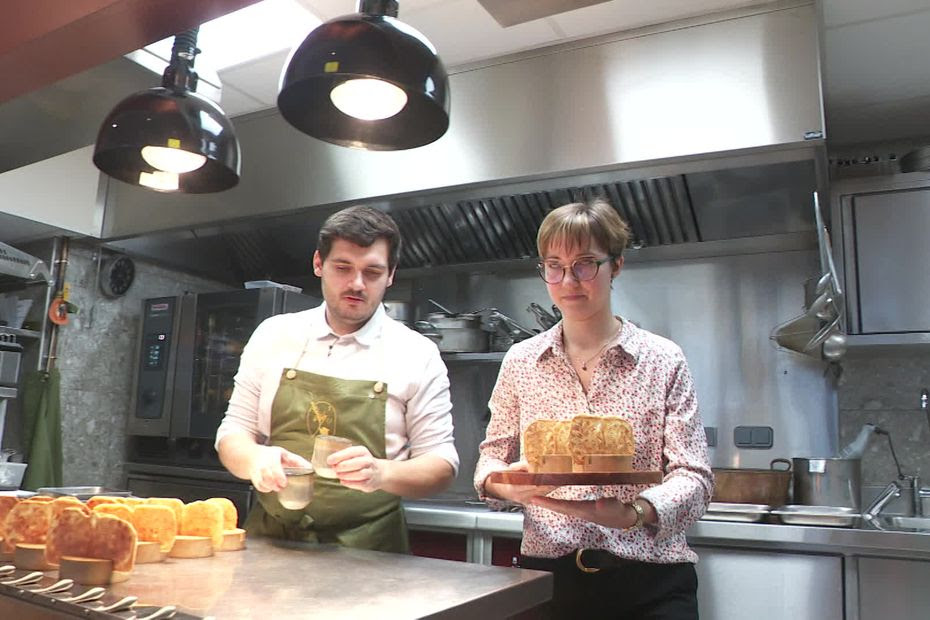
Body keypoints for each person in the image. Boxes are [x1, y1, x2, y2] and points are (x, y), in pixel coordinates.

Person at [474, 199, 713, 619]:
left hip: (650, 582)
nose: (569, 280)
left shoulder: (662, 359)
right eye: (554, 266)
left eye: (585, 264)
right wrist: (502, 486)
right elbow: (490, 458)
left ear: (616, 265)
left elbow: (694, 476)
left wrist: (636, 512)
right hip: (549, 582)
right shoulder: (521, 361)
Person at [216, 205, 458, 553]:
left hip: (371, 553)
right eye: (343, 268)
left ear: (391, 275)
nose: (357, 284)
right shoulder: (274, 336)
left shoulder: (416, 353)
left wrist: (382, 473)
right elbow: (233, 432)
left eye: (372, 272)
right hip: (270, 544)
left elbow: (441, 465)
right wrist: (255, 460)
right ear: (319, 264)